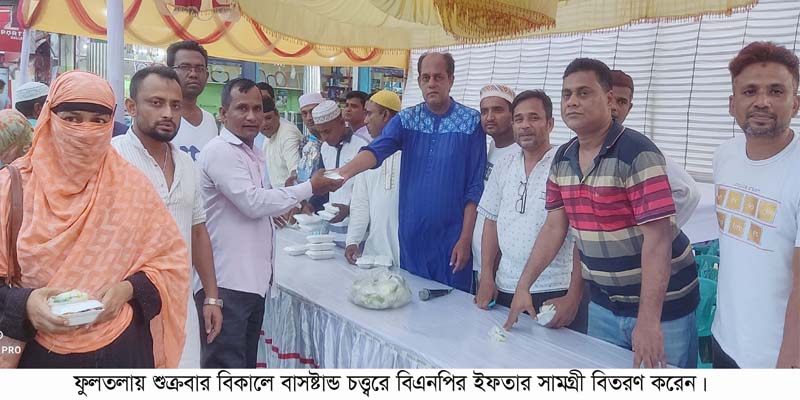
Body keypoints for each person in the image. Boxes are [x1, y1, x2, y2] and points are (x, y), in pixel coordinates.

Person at [503, 58, 699, 369]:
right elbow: (555, 227)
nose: (572, 102)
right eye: (567, 94)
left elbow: (658, 240)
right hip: (605, 304)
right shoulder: (563, 158)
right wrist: (524, 285)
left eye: (583, 93)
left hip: (664, 308)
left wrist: (649, 321)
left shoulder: (637, 152)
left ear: (608, 99)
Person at [0, 71, 189, 368]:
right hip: (36, 356)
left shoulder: (132, 187)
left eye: (99, 121)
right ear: (49, 117)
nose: (85, 131)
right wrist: (25, 304)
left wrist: (126, 290)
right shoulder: (11, 187)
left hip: (123, 349)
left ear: (111, 123)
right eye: (72, 118)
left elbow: (169, 265)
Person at [197, 78, 341, 368]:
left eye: (257, 109)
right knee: (225, 366)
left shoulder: (252, 151)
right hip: (226, 284)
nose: (252, 116)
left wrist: (274, 209)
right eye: (242, 108)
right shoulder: (220, 151)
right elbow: (252, 203)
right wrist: (309, 188)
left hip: (250, 284)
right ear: (223, 113)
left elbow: (256, 201)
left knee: (244, 365)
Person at [339, 52, 487, 293]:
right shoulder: (407, 120)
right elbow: (376, 150)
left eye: (438, 77)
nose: (431, 83)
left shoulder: (471, 123)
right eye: (425, 77)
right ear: (418, 81)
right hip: (411, 237)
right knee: (413, 305)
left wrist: (465, 238)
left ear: (451, 80)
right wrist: (343, 172)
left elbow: (474, 186)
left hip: (452, 240)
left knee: (453, 307)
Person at [111, 66, 223, 369]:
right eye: (156, 103)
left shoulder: (186, 163)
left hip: (180, 301)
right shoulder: (111, 158)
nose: (168, 113)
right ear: (131, 106)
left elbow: (197, 230)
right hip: (127, 305)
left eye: (175, 105)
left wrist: (211, 297)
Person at [712, 41, 800, 368]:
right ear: (732, 103)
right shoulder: (725, 156)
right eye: (750, 91)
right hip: (725, 339)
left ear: (795, 104)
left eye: (776, 91)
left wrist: (790, 358)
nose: (762, 101)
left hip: (777, 357)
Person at [474, 90, 585, 329]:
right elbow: (491, 221)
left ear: (550, 123)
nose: (525, 125)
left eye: (534, 118)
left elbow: (582, 236)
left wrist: (574, 296)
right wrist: (487, 275)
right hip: (505, 287)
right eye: (519, 119)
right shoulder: (504, 165)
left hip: (554, 290)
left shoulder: (568, 164)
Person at [609, 70, 700, 227]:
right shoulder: (572, 150)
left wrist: (650, 233)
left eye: (621, 102)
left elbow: (688, 192)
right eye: (609, 100)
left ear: (629, 108)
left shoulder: (637, 148)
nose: (614, 108)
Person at [345, 90, 402, 267]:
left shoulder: (411, 151)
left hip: (406, 252)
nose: (365, 120)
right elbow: (361, 202)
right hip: (374, 252)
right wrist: (352, 241)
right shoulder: (366, 155)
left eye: (369, 114)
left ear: (385, 115)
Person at [472, 84, 520, 291]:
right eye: (484, 111)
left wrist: (492, 270)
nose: (489, 117)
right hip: (480, 263)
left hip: (502, 271)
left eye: (497, 110)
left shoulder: (520, 155)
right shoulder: (491, 147)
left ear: (512, 115)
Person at [314, 100, 370, 226]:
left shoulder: (363, 146)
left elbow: (369, 193)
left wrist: (349, 210)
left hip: (358, 227)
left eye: (327, 131)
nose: (324, 137)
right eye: (320, 132)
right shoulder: (325, 148)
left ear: (341, 122)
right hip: (332, 225)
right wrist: (311, 205)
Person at [167, 40, 218, 162]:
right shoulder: (161, 119)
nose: (193, 74)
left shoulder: (210, 120)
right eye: (185, 67)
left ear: (206, 75)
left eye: (199, 68)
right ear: (169, 72)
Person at [258, 96, 303, 188]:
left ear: (277, 115)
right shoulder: (268, 136)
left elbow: (296, 173)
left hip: (291, 193)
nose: (265, 124)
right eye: (260, 120)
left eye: (268, 118)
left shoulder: (288, 133)